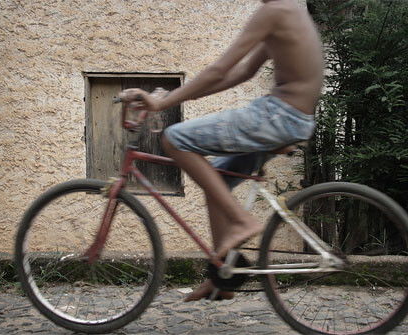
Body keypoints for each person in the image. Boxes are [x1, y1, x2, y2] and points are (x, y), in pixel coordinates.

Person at [119, 0, 324, 301]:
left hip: (278, 116)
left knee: (174, 138)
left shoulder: (276, 10)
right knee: (216, 180)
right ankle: (222, 278)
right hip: (292, 120)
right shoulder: (290, 12)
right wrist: (173, 95)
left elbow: (218, 70)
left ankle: (242, 222)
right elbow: (241, 73)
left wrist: (163, 102)